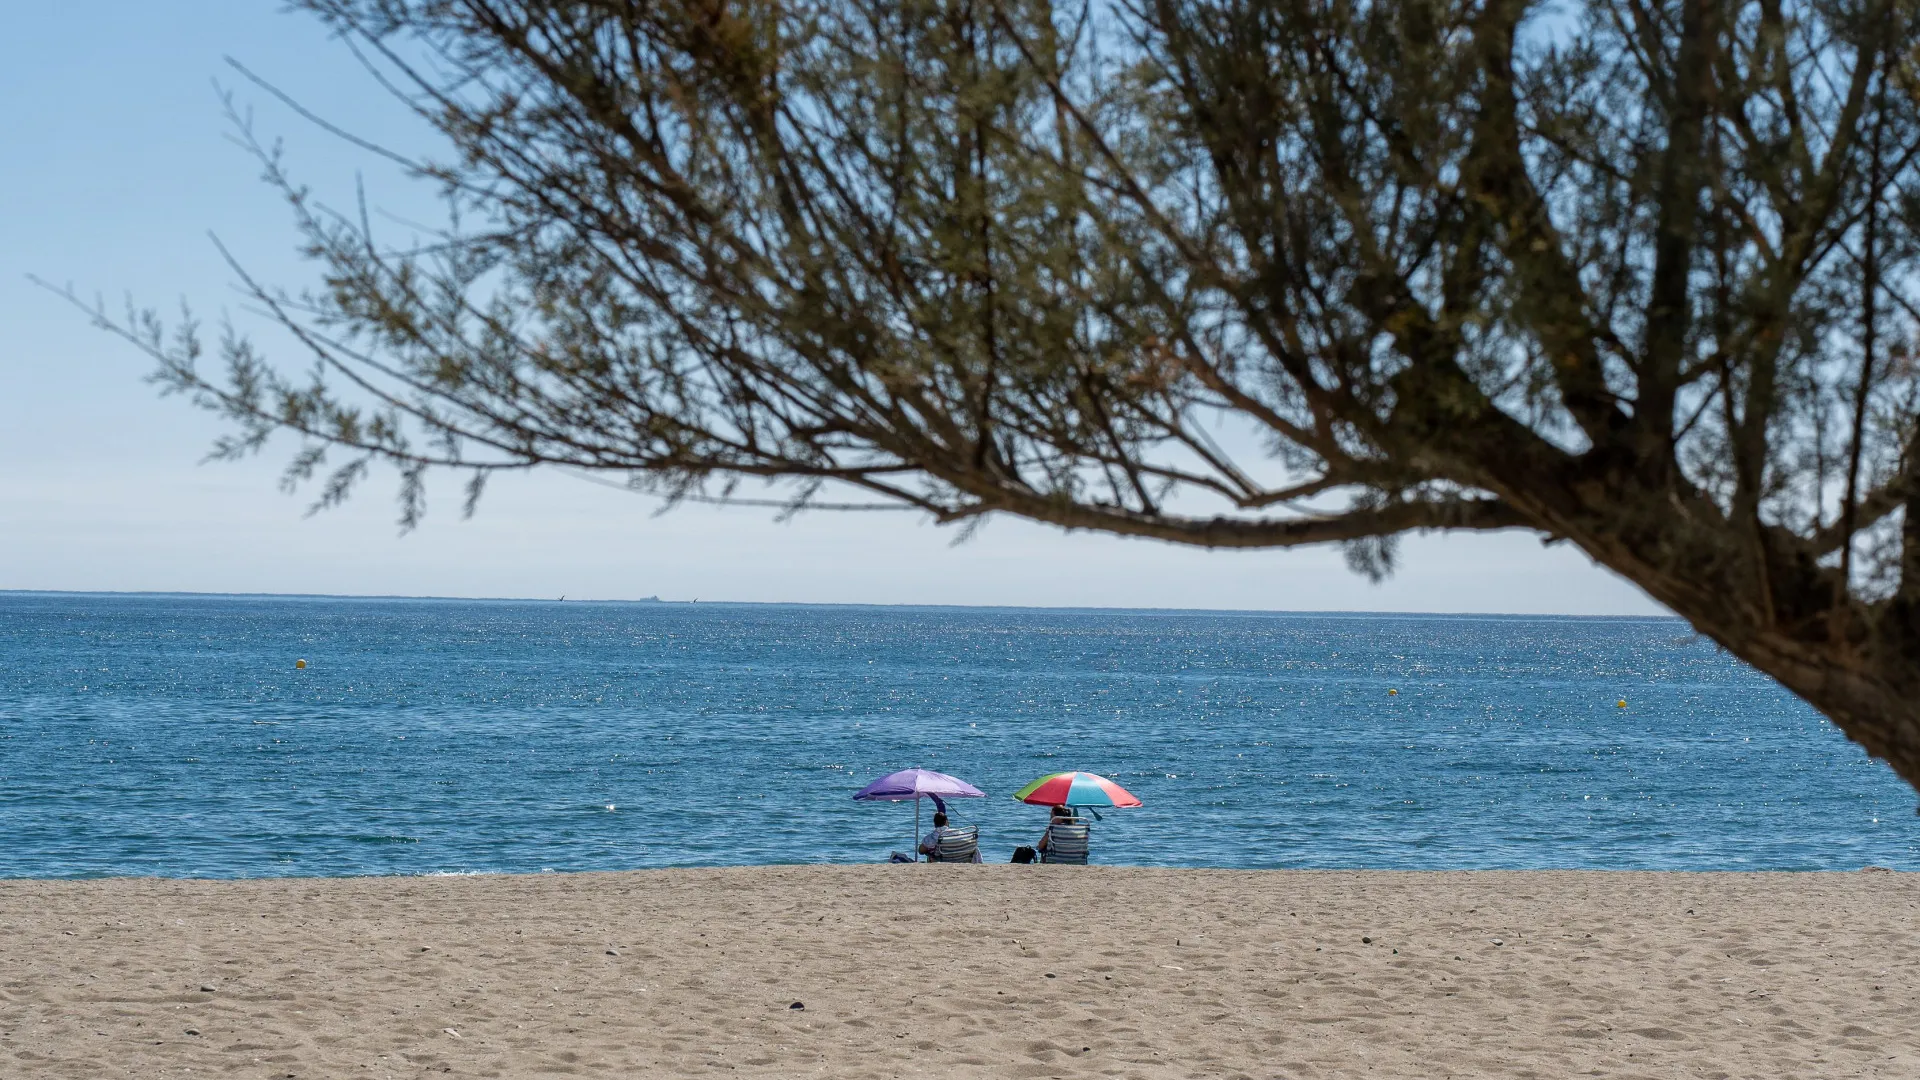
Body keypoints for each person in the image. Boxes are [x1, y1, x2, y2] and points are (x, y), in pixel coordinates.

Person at [917, 811, 982, 862]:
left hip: (943, 861)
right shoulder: (958, 832)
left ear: (934, 824)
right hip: (962, 859)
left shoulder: (930, 838)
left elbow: (921, 851)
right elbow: (969, 843)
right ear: (946, 822)